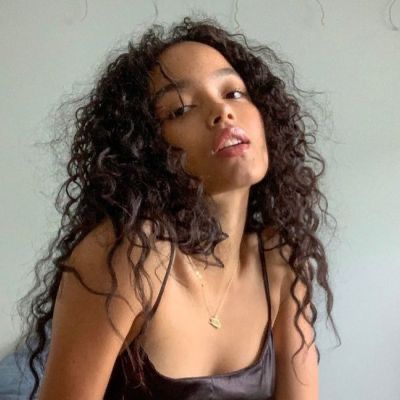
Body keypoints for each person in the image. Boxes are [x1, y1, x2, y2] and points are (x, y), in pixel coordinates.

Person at [16, 15, 339, 400]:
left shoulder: (279, 262)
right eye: (181, 108)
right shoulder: (127, 257)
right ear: (146, 148)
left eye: (234, 92)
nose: (223, 112)